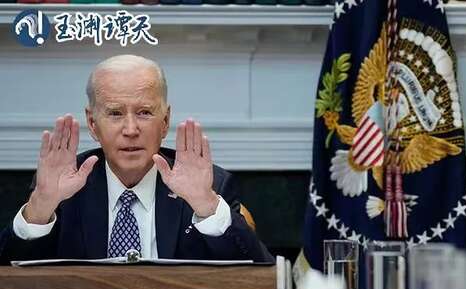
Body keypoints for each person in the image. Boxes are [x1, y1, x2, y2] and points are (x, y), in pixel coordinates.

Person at [0, 54, 272, 263]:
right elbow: (11, 279)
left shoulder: (208, 184)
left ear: (165, 121)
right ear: (92, 124)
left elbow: (261, 276)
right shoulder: (62, 186)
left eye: (144, 113)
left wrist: (207, 207)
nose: (131, 130)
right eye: (115, 113)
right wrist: (39, 212)